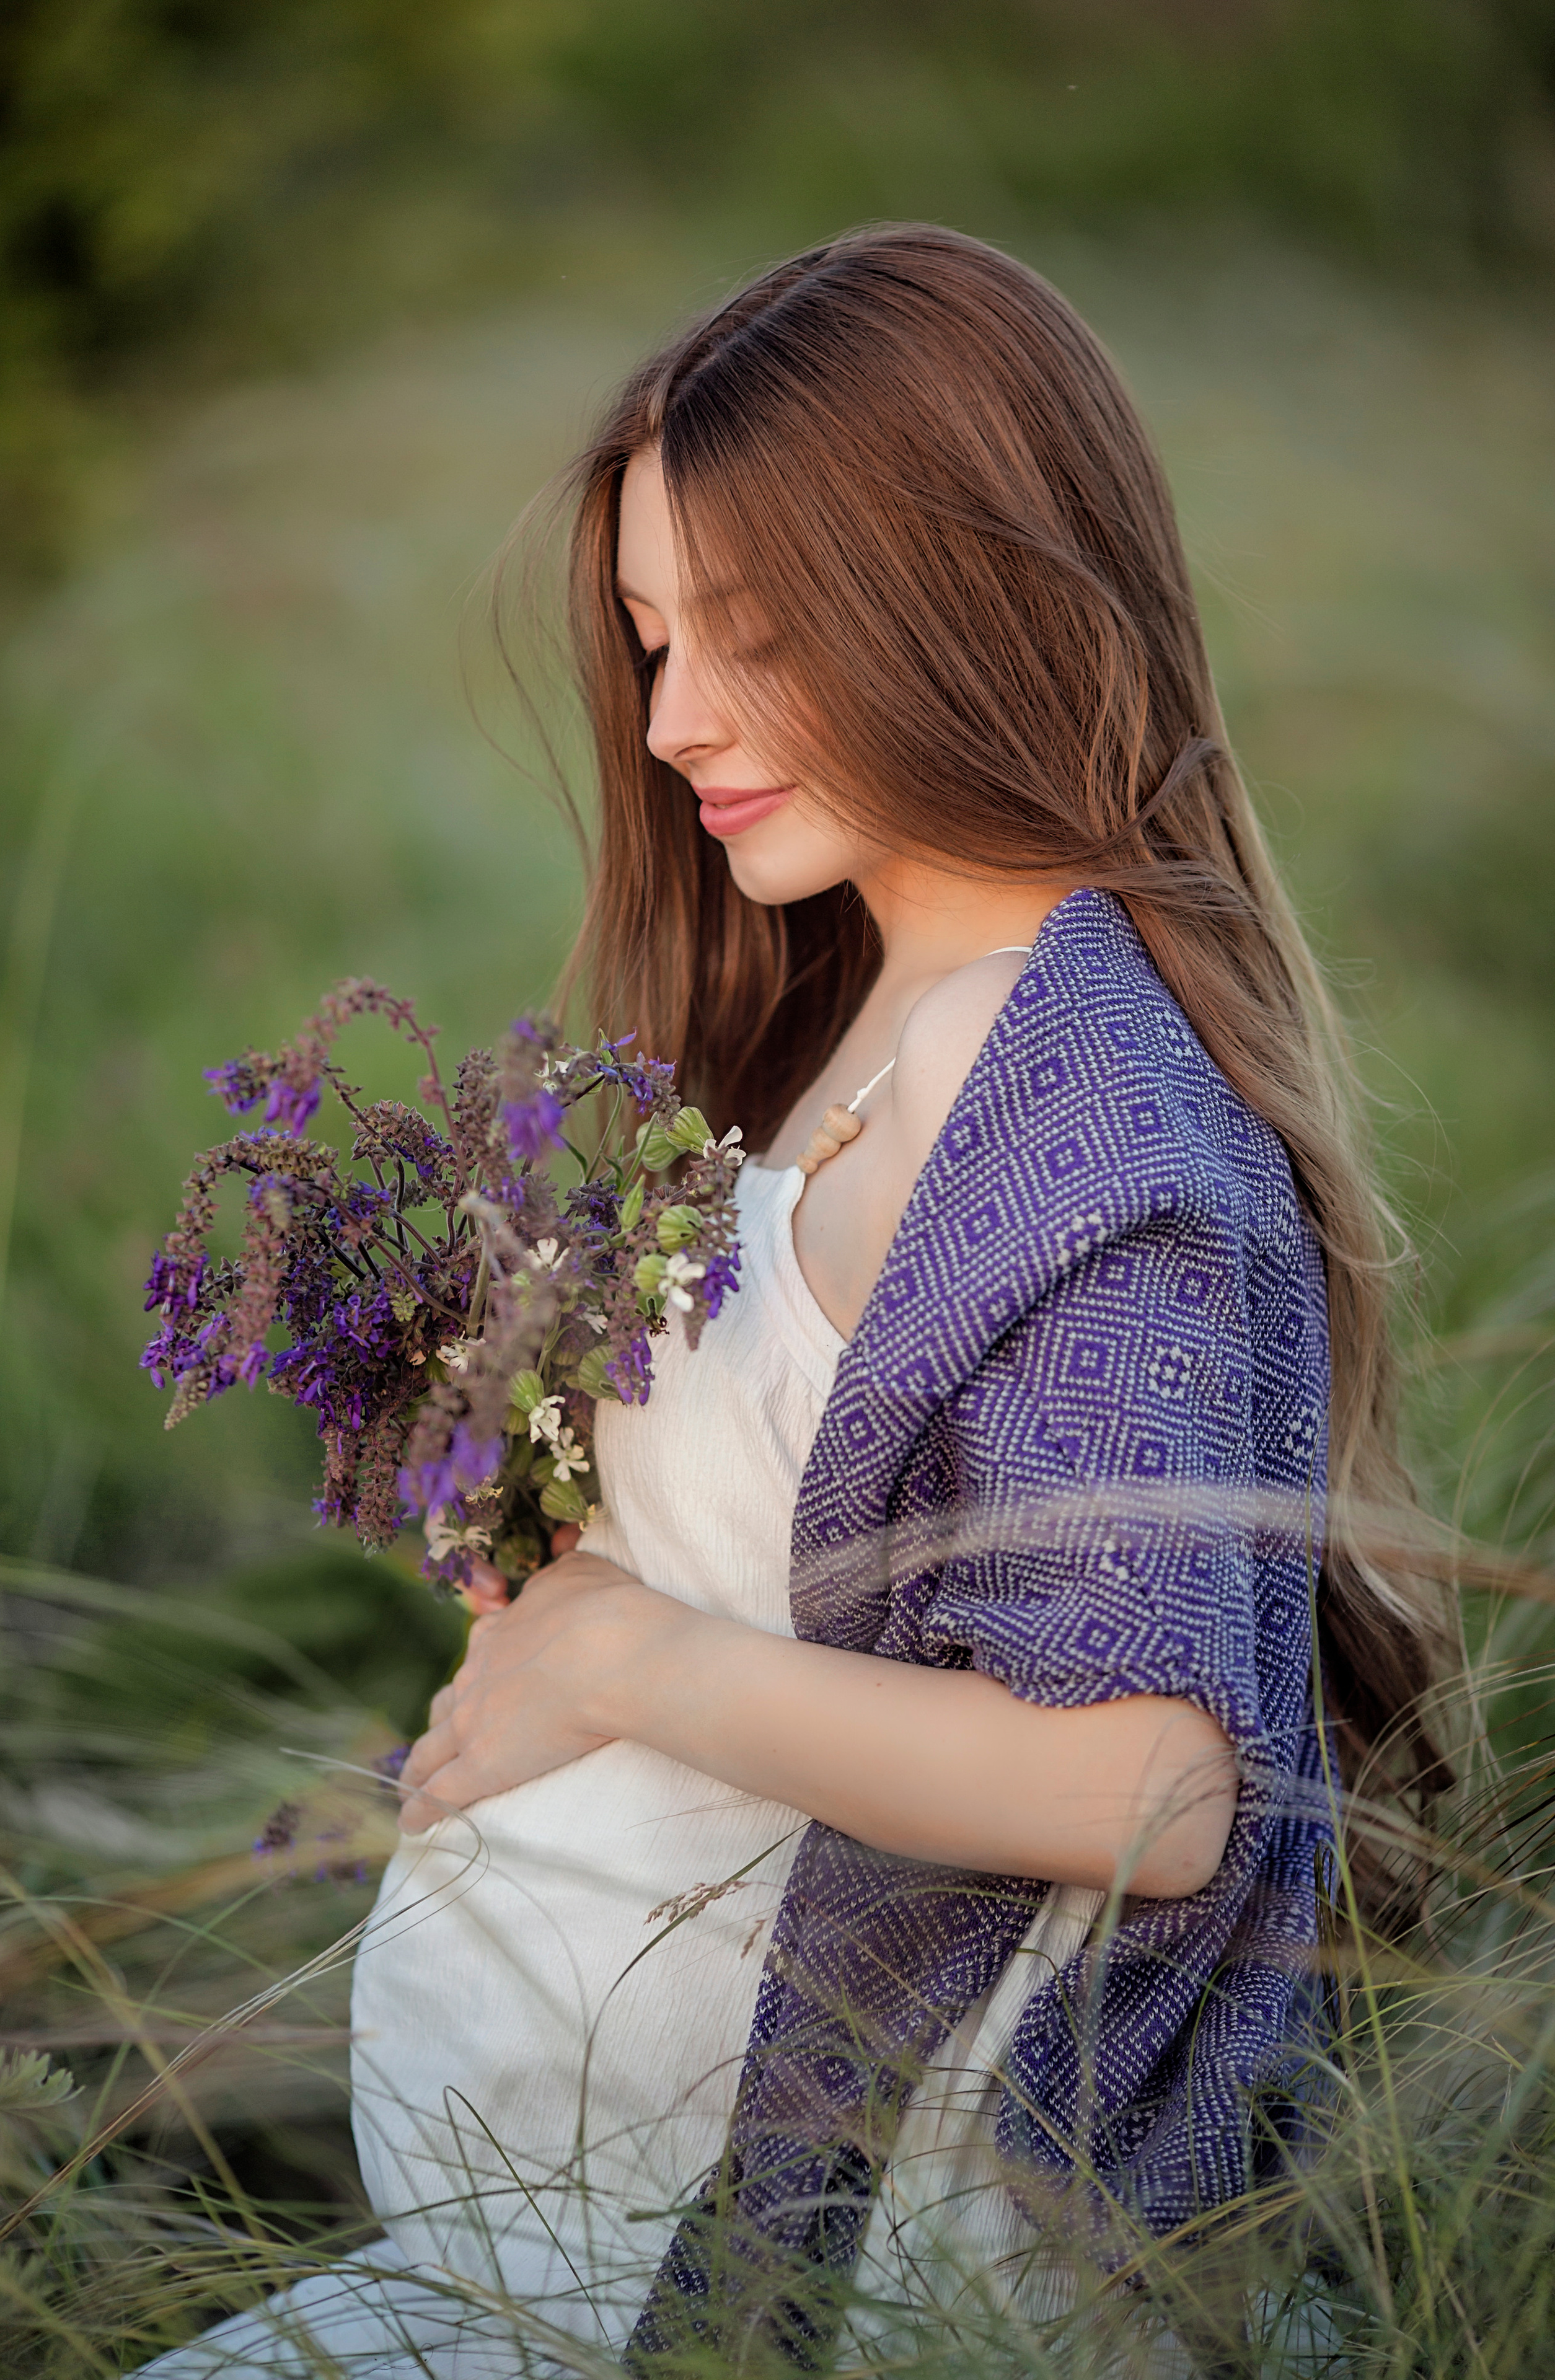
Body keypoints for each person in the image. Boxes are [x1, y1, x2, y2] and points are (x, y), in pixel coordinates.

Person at [141, 224, 1448, 2378]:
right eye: (653, 639)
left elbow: (1142, 1784)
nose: (670, 724)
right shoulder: (871, 1010)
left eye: (745, 635)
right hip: (636, 2219)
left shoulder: (1087, 1120)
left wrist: (627, 1661)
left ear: (965, 595)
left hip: (864, 2278)